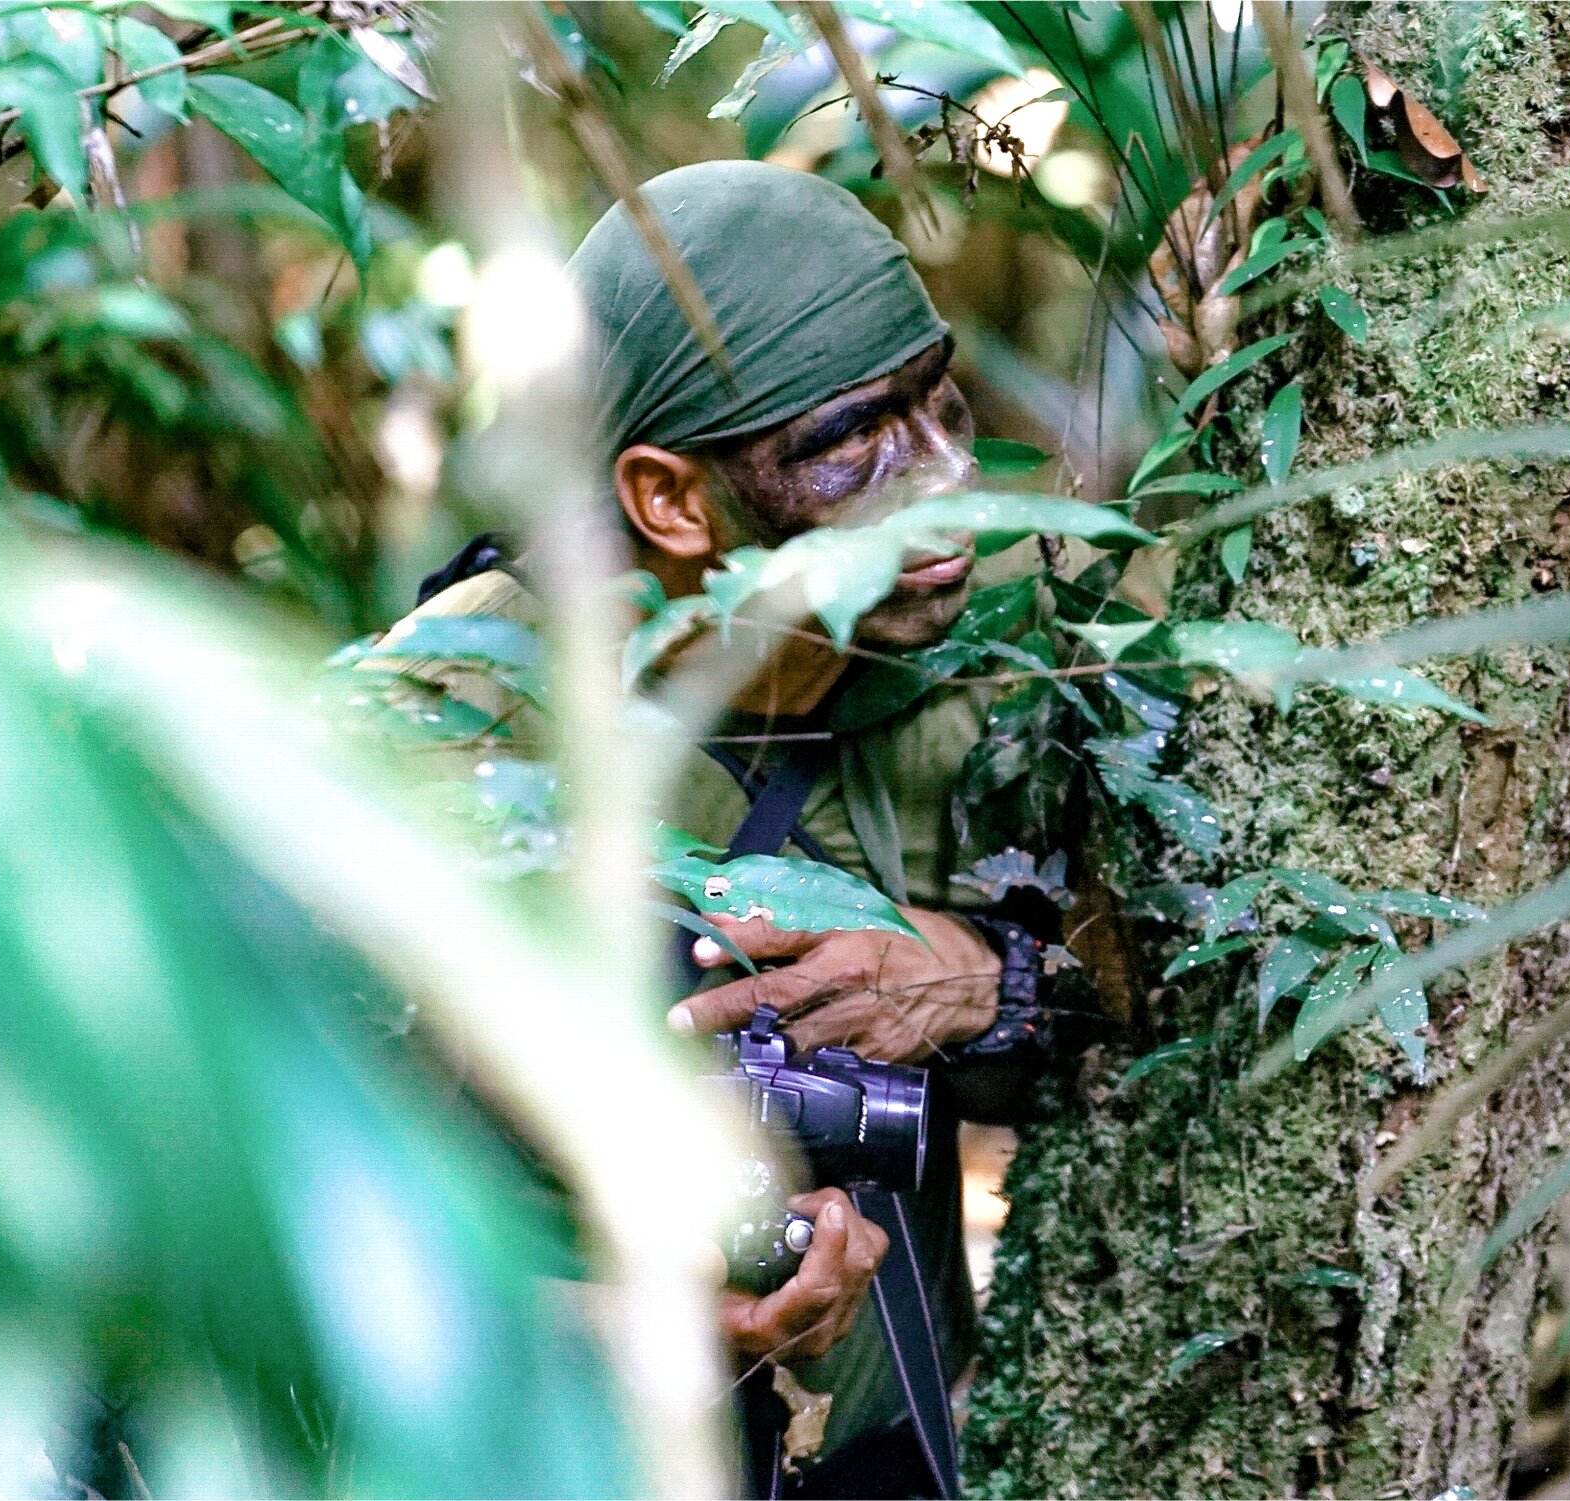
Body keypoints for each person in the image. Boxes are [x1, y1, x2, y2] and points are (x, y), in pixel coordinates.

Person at [352, 161, 1054, 1500]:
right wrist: (612, 1324)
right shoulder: (450, 725)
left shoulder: (988, 676)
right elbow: (222, 1192)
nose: (951, 477)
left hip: (869, 1447)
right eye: (853, 440)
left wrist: (980, 981)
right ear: (671, 502)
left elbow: (1153, 1001)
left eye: (942, 402)